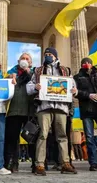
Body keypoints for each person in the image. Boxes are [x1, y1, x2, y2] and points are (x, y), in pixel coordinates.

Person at [27, 47, 77, 176]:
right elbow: (29, 87)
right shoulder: (38, 71)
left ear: (55, 56)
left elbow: (73, 86)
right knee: (43, 135)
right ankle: (39, 164)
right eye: (46, 54)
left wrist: (74, 91)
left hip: (61, 107)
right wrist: (35, 87)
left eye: (50, 54)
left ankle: (65, 163)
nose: (48, 56)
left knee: (62, 136)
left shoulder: (65, 70)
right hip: (44, 107)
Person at [4, 53, 35, 173]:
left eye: (27, 59)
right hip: (13, 111)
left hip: (30, 111)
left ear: (31, 63)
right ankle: (11, 163)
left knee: (32, 139)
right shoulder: (10, 74)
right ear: (18, 61)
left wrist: (29, 73)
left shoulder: (35, 74)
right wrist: (9, 79)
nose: (25, 60)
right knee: (11, 139)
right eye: (23, 58)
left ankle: (35, 163)